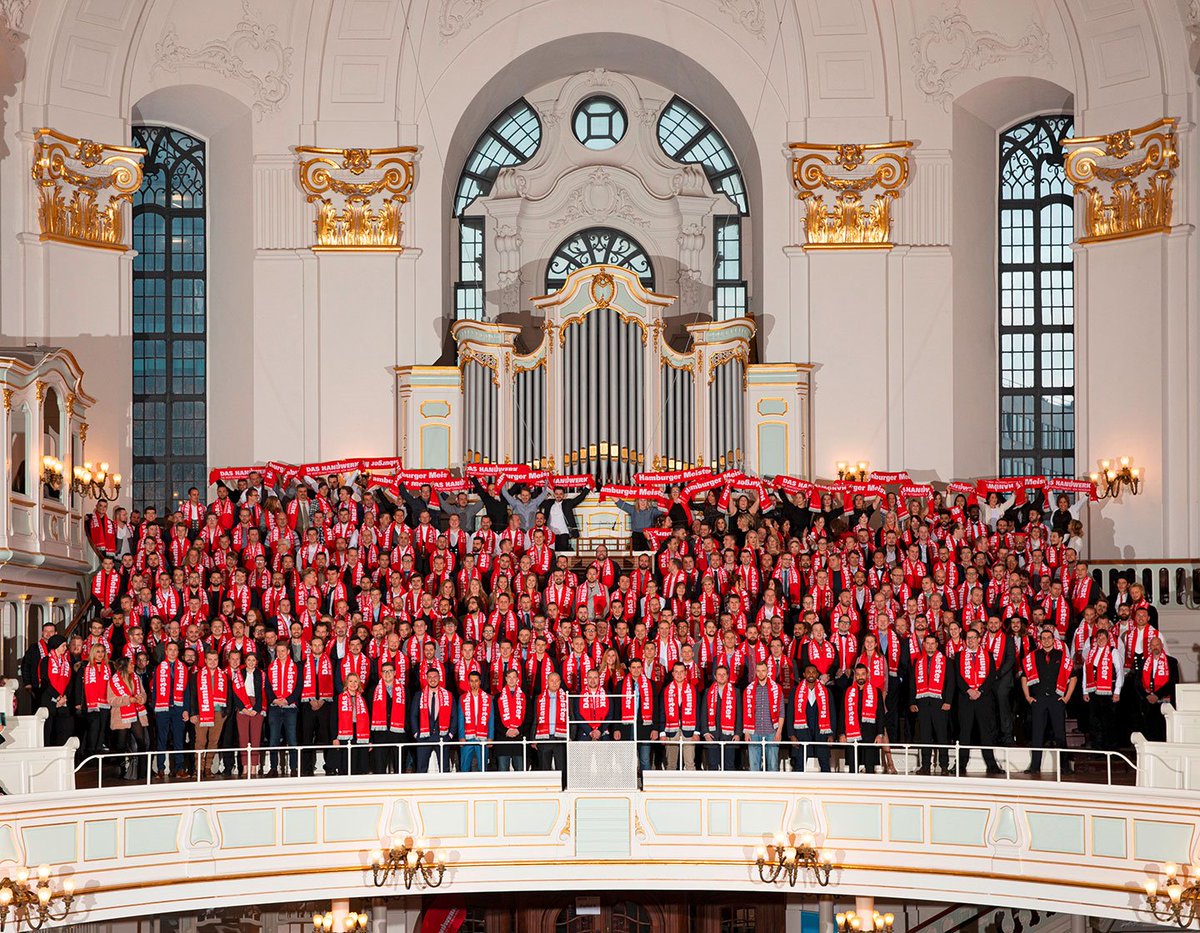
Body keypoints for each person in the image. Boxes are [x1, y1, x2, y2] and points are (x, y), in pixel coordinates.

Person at [1021, 628, 1077, 774]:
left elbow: (1073, 677)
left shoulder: (1062, 656)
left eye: (1049, 638)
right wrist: (1027, 697)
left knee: (1060, 734)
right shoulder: (1032, 656)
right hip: (1038, 699)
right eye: (1043, 638)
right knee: (1037, 734)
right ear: (1040, 640)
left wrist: (1067, 697)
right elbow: (1024, 677)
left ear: (1053, 640)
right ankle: (1035, 767)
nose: (1046, 640)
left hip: (1056, 699)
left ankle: (1064, 766)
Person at [956, 630, 1003, 775]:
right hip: (966, 698)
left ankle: (992, 765)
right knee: (965, 732)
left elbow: (992, 675)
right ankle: (960, 764)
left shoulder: (988, 655)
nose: (970, 640)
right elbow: (957, 676)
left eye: (973, 638)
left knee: (986, 732)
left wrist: (980, 691)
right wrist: (969, 690)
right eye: (968, 638)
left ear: (979, 639)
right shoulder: (958, 656)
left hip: (984, 698)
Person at [910, 635, 953, 775]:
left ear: (937, 645)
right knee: (925, 735)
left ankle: (944, 766)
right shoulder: (918, 661)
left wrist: (948, 701)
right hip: (922, 702)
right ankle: (925, 766)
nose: (930, 646)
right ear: (924, 644)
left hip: (939, 702)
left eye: (932, 643)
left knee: (942, 735)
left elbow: (950, 682)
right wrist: (912, 701)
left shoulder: (946, 661)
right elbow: (912, 682)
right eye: (927, 643)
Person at [150, 641, 192, 780]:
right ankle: (161, 769)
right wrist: (156, 708)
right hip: (162, 708)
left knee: (179, 739)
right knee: (161, 739)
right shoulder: (159, 668)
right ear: (166, 652)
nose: (173, 652)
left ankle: (179, 768)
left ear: (178, 652)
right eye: (170, 649)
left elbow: (186, 691)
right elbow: (155, 690)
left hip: (178, 708)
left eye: (175, 650)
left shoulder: (183, 667)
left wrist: (186, 709)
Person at [788, 664, 835, 773]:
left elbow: (832, 713)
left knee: (825, 764)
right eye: (808, 672)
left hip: (821, 732)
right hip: (801, 732)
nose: (811, 674)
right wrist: (791, 735)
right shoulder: (795, 691)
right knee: (799, 765)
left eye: (813, 672)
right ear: (804, 674)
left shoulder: (826, 691)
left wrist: (831, 734)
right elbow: (790, 713)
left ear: (817, 674)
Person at [1082, 627, 1123, 751]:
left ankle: (1111, 748)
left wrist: (1117, 691)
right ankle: (1098, 748)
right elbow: (1085, 672)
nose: (1100, 640)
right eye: (1098, 638)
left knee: (1109, 720)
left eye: (1103, 637)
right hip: (1093, 691)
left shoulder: (1113, 652)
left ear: (1107, 639)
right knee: (1095, 721)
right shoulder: (1091, 653)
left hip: (1108, 691)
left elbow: (1119, 671)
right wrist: (1085, 691)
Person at [107, 655, 147, 780]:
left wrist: (141, 699)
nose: (133, 665)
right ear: (124, 666)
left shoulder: (136, 678)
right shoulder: (113, 681)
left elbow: (143, 692)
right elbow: (111, 700)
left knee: (142, 742)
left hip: (136, 713)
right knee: (121, 744)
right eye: (130, 664)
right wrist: (127, 700)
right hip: (121, 716)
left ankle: (142, 771)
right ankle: (121, 770)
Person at [265, 642, 302, 775]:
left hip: (290, 707)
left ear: (288, 652)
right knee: (273, 739)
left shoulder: (296, 667)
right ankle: (273, 768)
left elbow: (299, 686)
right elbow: (267, 687)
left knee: (292, 739)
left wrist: (288, 700)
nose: (280, 653)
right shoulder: (271, 667)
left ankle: (293, 768)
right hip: (275, 707)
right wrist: (274, 700)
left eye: (283, 651)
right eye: (278, 651)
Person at [411, 667, 454, 773]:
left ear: (439, 678)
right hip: (423, 738)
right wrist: (416, 734)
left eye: (435, 677)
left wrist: (450, 735)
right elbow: (413, 716)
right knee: (421, 770)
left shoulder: (448, 695)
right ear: (426, 679)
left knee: (444, 770)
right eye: (430, 677)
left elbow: (454, 717)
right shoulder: (419, 695)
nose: (432, 679)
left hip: (442, 738)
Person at [192, 651, 228, 778]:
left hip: (218, 712)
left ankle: (207, 767)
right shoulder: (197, 676)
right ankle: (198, 768)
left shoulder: (224, 676)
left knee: (214, 741)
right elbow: (192, 696)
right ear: (205, 661)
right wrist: (193, 713)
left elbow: (228, 695)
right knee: (200, 741)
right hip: (202, 712)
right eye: (210, 659)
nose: (213, 662)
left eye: (215, 659)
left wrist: (225, 712)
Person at [840, 664, 881, 773]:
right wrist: (841, 733)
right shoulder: (847, 692)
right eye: (858, 674)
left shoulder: (876, 691)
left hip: (870, 733)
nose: (860, 677)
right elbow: (842, 714)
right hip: (851, 732)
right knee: (853, 766)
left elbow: (880, 715)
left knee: (870, 767)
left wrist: (880, 734)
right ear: (855, 675)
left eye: (863, 674)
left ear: (867, 675)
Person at [230, 651, 265, 776]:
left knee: (256, 737)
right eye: (249, 660)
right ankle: (245, 766)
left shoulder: (261, 674)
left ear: (257, 662)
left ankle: (254, 766)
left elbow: (262, 693)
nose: (251, 662)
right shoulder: (239, 674)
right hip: (242, 707)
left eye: (253, 660)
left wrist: (256, 709)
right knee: (243, 738)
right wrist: (243, 708)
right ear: (245, 661)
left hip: (257, 706)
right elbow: (235, 693)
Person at [744, 661, 783, 772]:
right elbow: (746, 711)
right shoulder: (749, 689)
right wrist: (746, 732)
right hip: (754, 731)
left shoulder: (776, 688)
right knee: (754, 766)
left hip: (771, 731)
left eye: (763, 671)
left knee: (773, 765)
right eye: (758, 671)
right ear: (755, 672)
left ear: (768, 671)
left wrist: (779, 731)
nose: (761, 673)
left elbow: (781, 712)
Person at [619, 658, 658, 772]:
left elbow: (655, 707)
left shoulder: (651, 684)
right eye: (633, 667)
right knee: (626, 760)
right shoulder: (621, 685)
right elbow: (617, 708)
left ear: (642, 668)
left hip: (645, 727)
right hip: (627, 727)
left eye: (638, 667)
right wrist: (616, 728)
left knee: (645, 759)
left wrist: (655, 728)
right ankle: (627, 782)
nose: (636, 670)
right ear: (629, 669)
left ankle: (645, 782)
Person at [659, 662, 699, 770]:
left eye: (681, 672)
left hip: (689, 730)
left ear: (685, 673)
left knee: (690, 764)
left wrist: (697, 732)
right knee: (671, 764)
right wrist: (662, 732)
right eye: (676, 672)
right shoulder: (666, 690)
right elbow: (662, 712)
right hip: (670, 730)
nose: (679, 674)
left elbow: (697, 711)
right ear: (672, 674)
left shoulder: (693, 689)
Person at [1138, 637, 1179, 742]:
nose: (1155, 647)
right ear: (1150, 647)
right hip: (1148, 703)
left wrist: (1157, 695)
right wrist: (1147, 696)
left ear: (1162, 646)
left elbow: (1173, 682)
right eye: (1152, 645)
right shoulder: (1143, 662)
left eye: (1157, 645)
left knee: (1164, 732)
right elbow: (1137, 683)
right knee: (1150, 732)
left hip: (1164, 702)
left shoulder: (1171, 662)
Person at [701, 665, 741, 771]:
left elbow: (739, 714)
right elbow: (704, 713)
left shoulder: (735, 691)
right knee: (712, 766)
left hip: (730, 736)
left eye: (724, 674)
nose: (722, 676)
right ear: (715, 676)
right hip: (712, 735)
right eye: (719, 674)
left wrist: (738, 733)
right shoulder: (708, 691)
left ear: (728, 676)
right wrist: (705, 732)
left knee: (729, 766)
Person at [370, 661, 407, 773]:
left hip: (399, 735)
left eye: (390, 671)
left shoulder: (404, 690)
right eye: (384, 671)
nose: (387, 674)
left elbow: (408, 711)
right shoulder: (373, 691)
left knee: (399, 769)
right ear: (381, 673)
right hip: (380, 735)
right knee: (379, 769)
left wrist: (406, 730)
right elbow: (369, 713)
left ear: (395, 673)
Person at [532, 671, 569, 775]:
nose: (554, 683)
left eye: (557, 681)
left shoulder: (566, 698)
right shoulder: (539, 698)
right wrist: (533, 738)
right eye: (552, 680)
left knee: (562, 769)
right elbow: (535, 719)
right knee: (544, 770)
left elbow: (571, 717)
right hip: (544, 738)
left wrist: (571, 736)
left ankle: (563, 785)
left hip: (561, 738)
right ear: (547, 682)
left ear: (560, 682)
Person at [335, 672, 371, 775]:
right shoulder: (339, 698)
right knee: (347, 762)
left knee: (360, 763)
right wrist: (334, 737)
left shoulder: (363, 699)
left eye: (355, 681)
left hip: (360, 733)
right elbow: (333, 719)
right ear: (346, 683)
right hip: (344, 733)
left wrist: (370, 740)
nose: (353, 684)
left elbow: (368, 720)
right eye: (350, 681)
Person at [458, 670, 492, 773]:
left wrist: (490, 737)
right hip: (467, 737)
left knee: (483, 767)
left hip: (483, 737)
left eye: (476, 681)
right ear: (468, 682)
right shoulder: (463, 698)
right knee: (464, 767)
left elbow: (490, 719)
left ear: (480, 682)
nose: (474, 684)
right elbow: (461, 719)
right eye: (471, 681)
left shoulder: (488, 698)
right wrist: (461, 736)